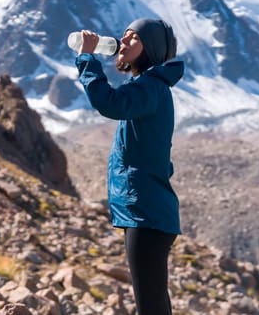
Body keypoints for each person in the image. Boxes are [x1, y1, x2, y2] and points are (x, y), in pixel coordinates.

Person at [74, 18, 183, 315]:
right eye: (123, 37)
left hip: (146, 213)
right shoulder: (148, 87)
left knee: (151, 306)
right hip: (146, 212)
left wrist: (87, 57)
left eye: (133, 38)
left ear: (150, 48)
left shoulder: (150, 87)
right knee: (153, 304)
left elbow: (109, 103)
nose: (123, 42)